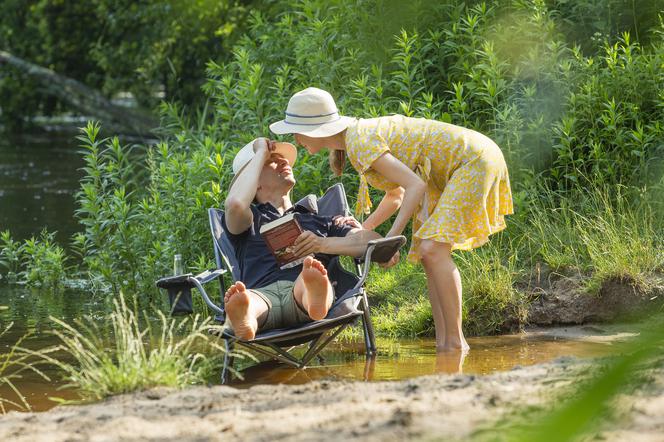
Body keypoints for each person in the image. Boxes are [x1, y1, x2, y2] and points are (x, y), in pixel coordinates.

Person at [270, 87, 514, 352]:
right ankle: (445, 345)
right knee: (428, 254)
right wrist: (367, 229)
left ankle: (456, 342)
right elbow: (395, 195)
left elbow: (416, 186)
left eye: (295, 131)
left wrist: (391, 242)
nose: (294, 138)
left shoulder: (359, 141)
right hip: (467, 162)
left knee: (432, 250)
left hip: (473, 161)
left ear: (315, 128)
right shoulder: (356, 139)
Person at [222, 137, 396, 340]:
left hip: (301, 291)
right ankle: (246, 318)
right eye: (273, 160)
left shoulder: (320, 220)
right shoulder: (247, 219)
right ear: (254, 183)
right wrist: (260, 151)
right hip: (261, 294)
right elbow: (234, 203)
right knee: (250, 300)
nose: (285, 162)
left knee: (310, 279)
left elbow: (375, 243)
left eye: (283, 159)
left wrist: (323, 243)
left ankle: (315, 299)